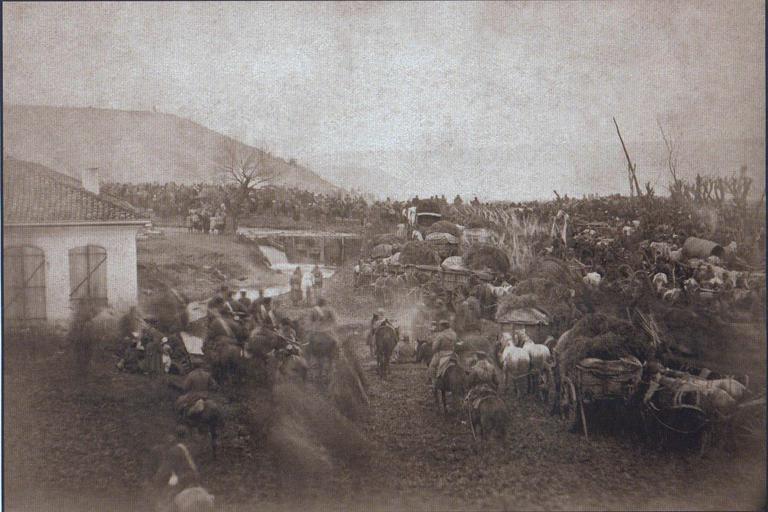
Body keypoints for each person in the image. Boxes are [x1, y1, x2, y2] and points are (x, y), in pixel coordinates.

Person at [428, 319, 458, 384]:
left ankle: (434, 383)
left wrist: (434, 347)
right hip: (452, 353)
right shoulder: (454, 334)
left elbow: (434, 348)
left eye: (440, 326)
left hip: (442, 354)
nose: (439, 327)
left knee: (432, 366)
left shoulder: (440, 335)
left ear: (443, 326)